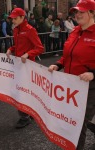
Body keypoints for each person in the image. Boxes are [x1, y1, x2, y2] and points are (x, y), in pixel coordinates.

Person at [48, 0, 95, 149]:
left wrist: (93, 74)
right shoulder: (75, 31)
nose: (77, 14)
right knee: (74, 120)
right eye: (76, 12)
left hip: (90, 87)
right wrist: (58, 64)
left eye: (82, 11)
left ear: (92, 13)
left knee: (77, 124)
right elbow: (68, 54)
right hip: (71, 86)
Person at [6, 8, 44, 128]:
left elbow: (40, 48)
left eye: (15, 18)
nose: (13, 21)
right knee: (24, 91)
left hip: (27, 66)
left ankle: (24, 117)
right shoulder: (16, 30)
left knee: (21, 91)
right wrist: (10, 49)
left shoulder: (30, 30)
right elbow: (17, 46)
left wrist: (28, 54)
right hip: (18, 65)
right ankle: (29, 113)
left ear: (23, 17)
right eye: (12, 18)